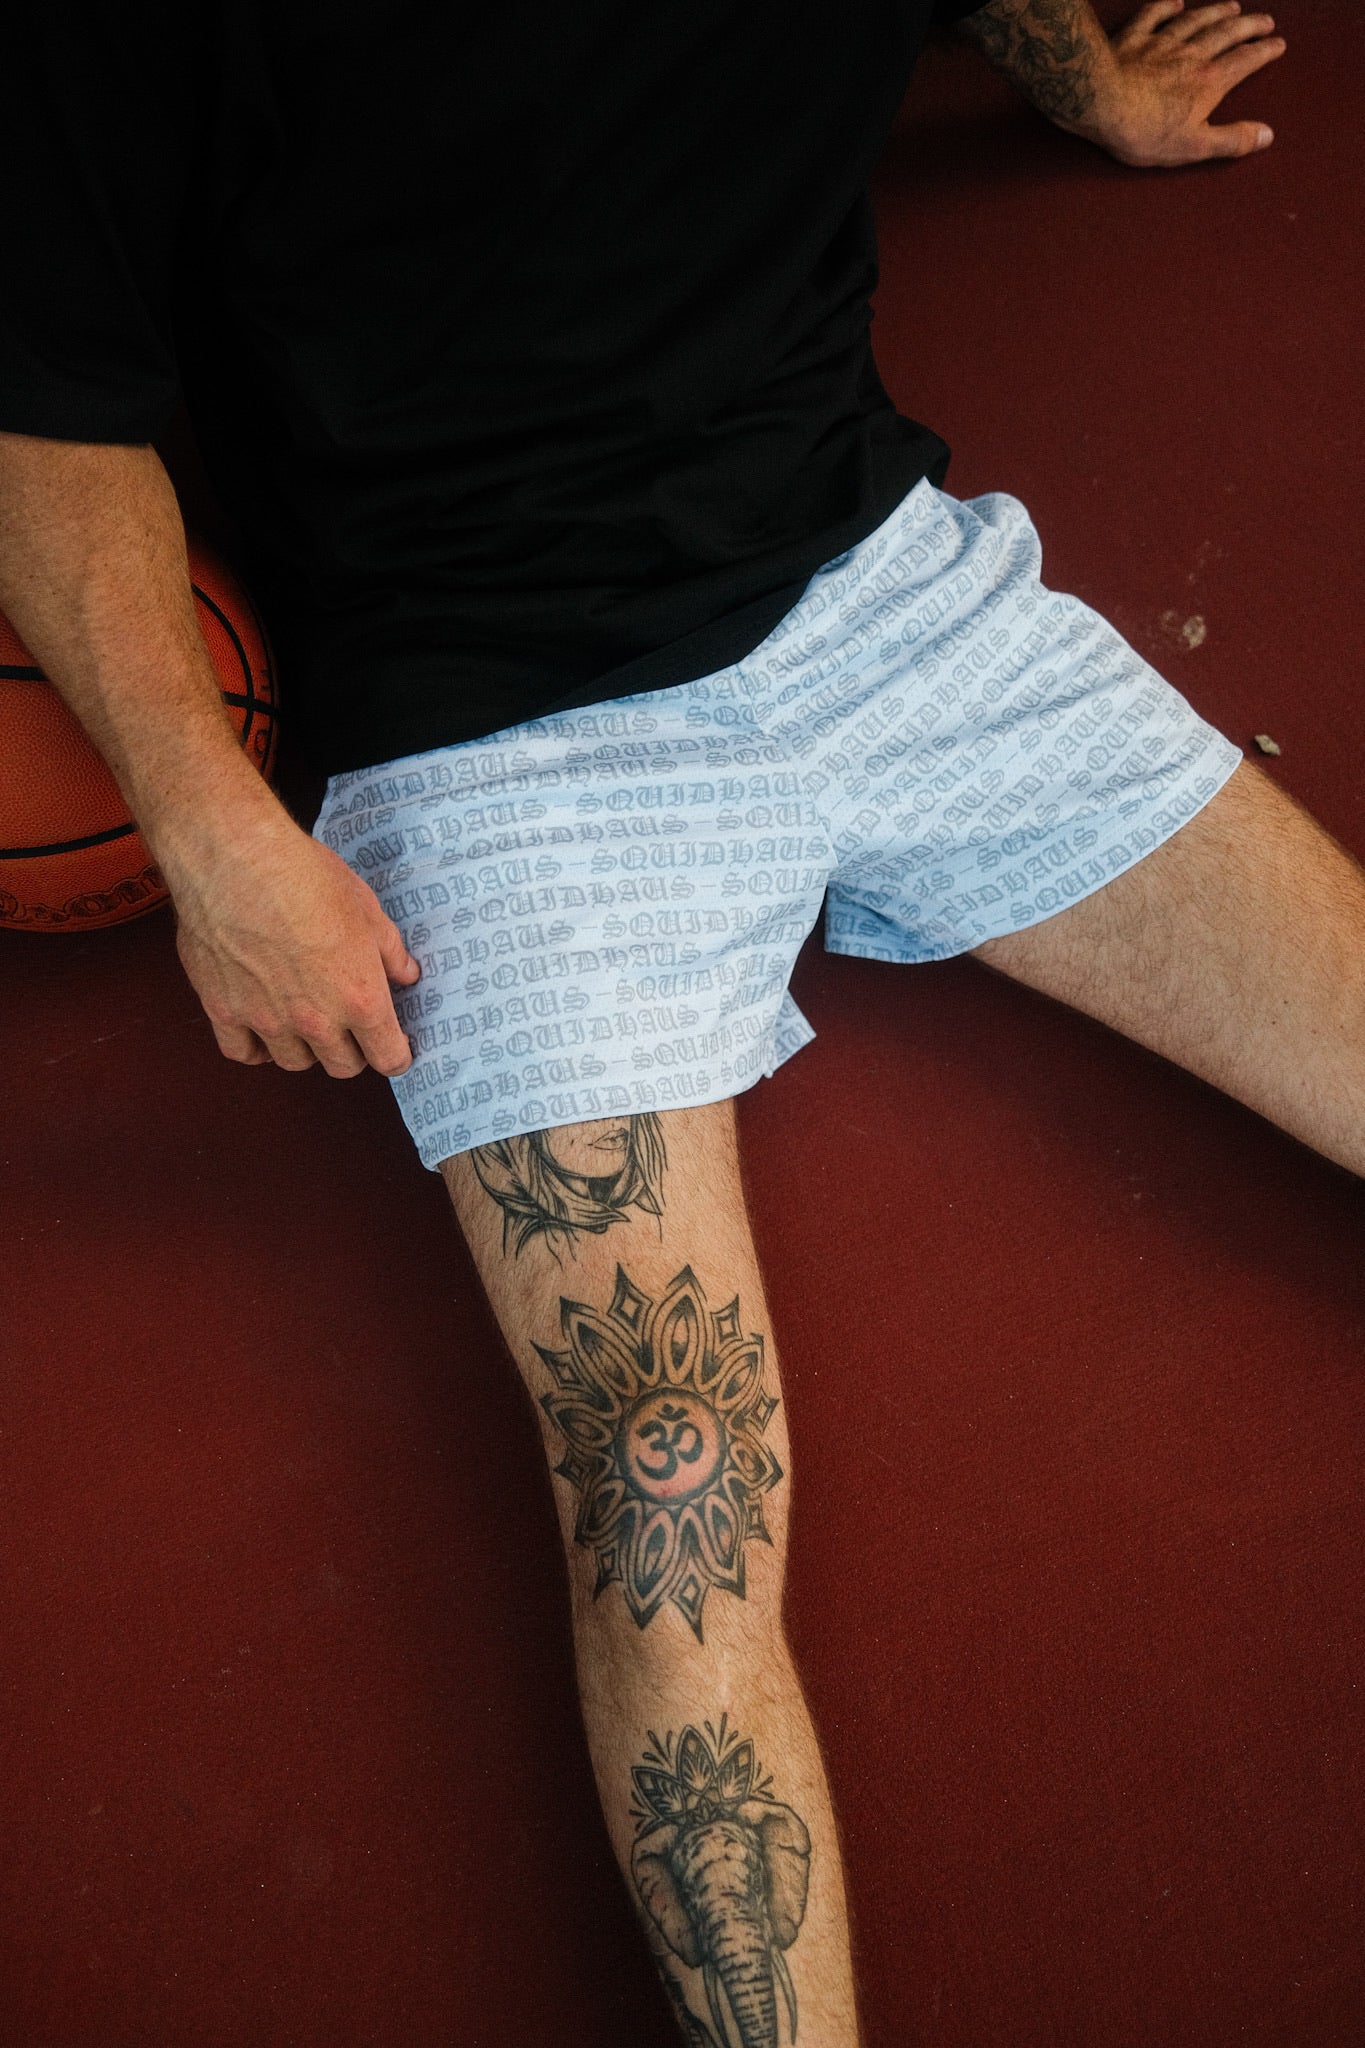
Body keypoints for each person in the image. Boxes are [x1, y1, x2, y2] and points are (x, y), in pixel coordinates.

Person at [2, 3, 1335, 2042]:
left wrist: (1087, 82)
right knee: (662, 1469)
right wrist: (208, 830)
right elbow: (48, 396)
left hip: (888, 593)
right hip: (489, 723)